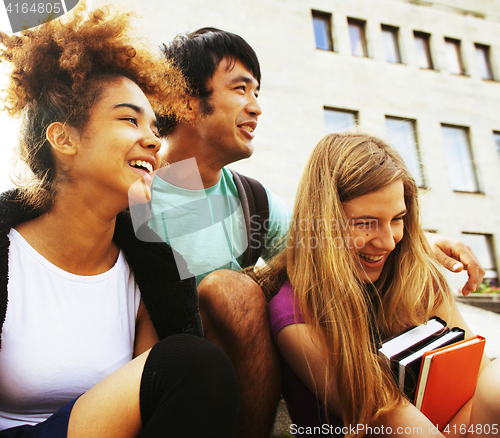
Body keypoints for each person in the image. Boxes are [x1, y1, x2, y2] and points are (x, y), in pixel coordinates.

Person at [149, 27, 486, 438]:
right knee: (228, 289)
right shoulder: (134, 194)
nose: (256, 108)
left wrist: (423, 242)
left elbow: (325, 238)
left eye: (258, 94)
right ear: (186, 98)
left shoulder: (249, 198)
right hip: (163, 379)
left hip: (231, 384)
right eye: (241, 89)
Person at [0, 4, 239, 438]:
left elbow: (154, 406)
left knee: (193, 364)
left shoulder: (153, 269)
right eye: (130, 119)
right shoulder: (9, 253)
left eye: (153, 125)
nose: (153, 140)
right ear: (64, 138)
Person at [251, 131, 500, 436]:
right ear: (324, 223)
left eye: (398, 219)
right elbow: (396, 425)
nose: (388, 242)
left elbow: (479, 377)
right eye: (366, 223)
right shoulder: (295, 314)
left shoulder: (416, 276)